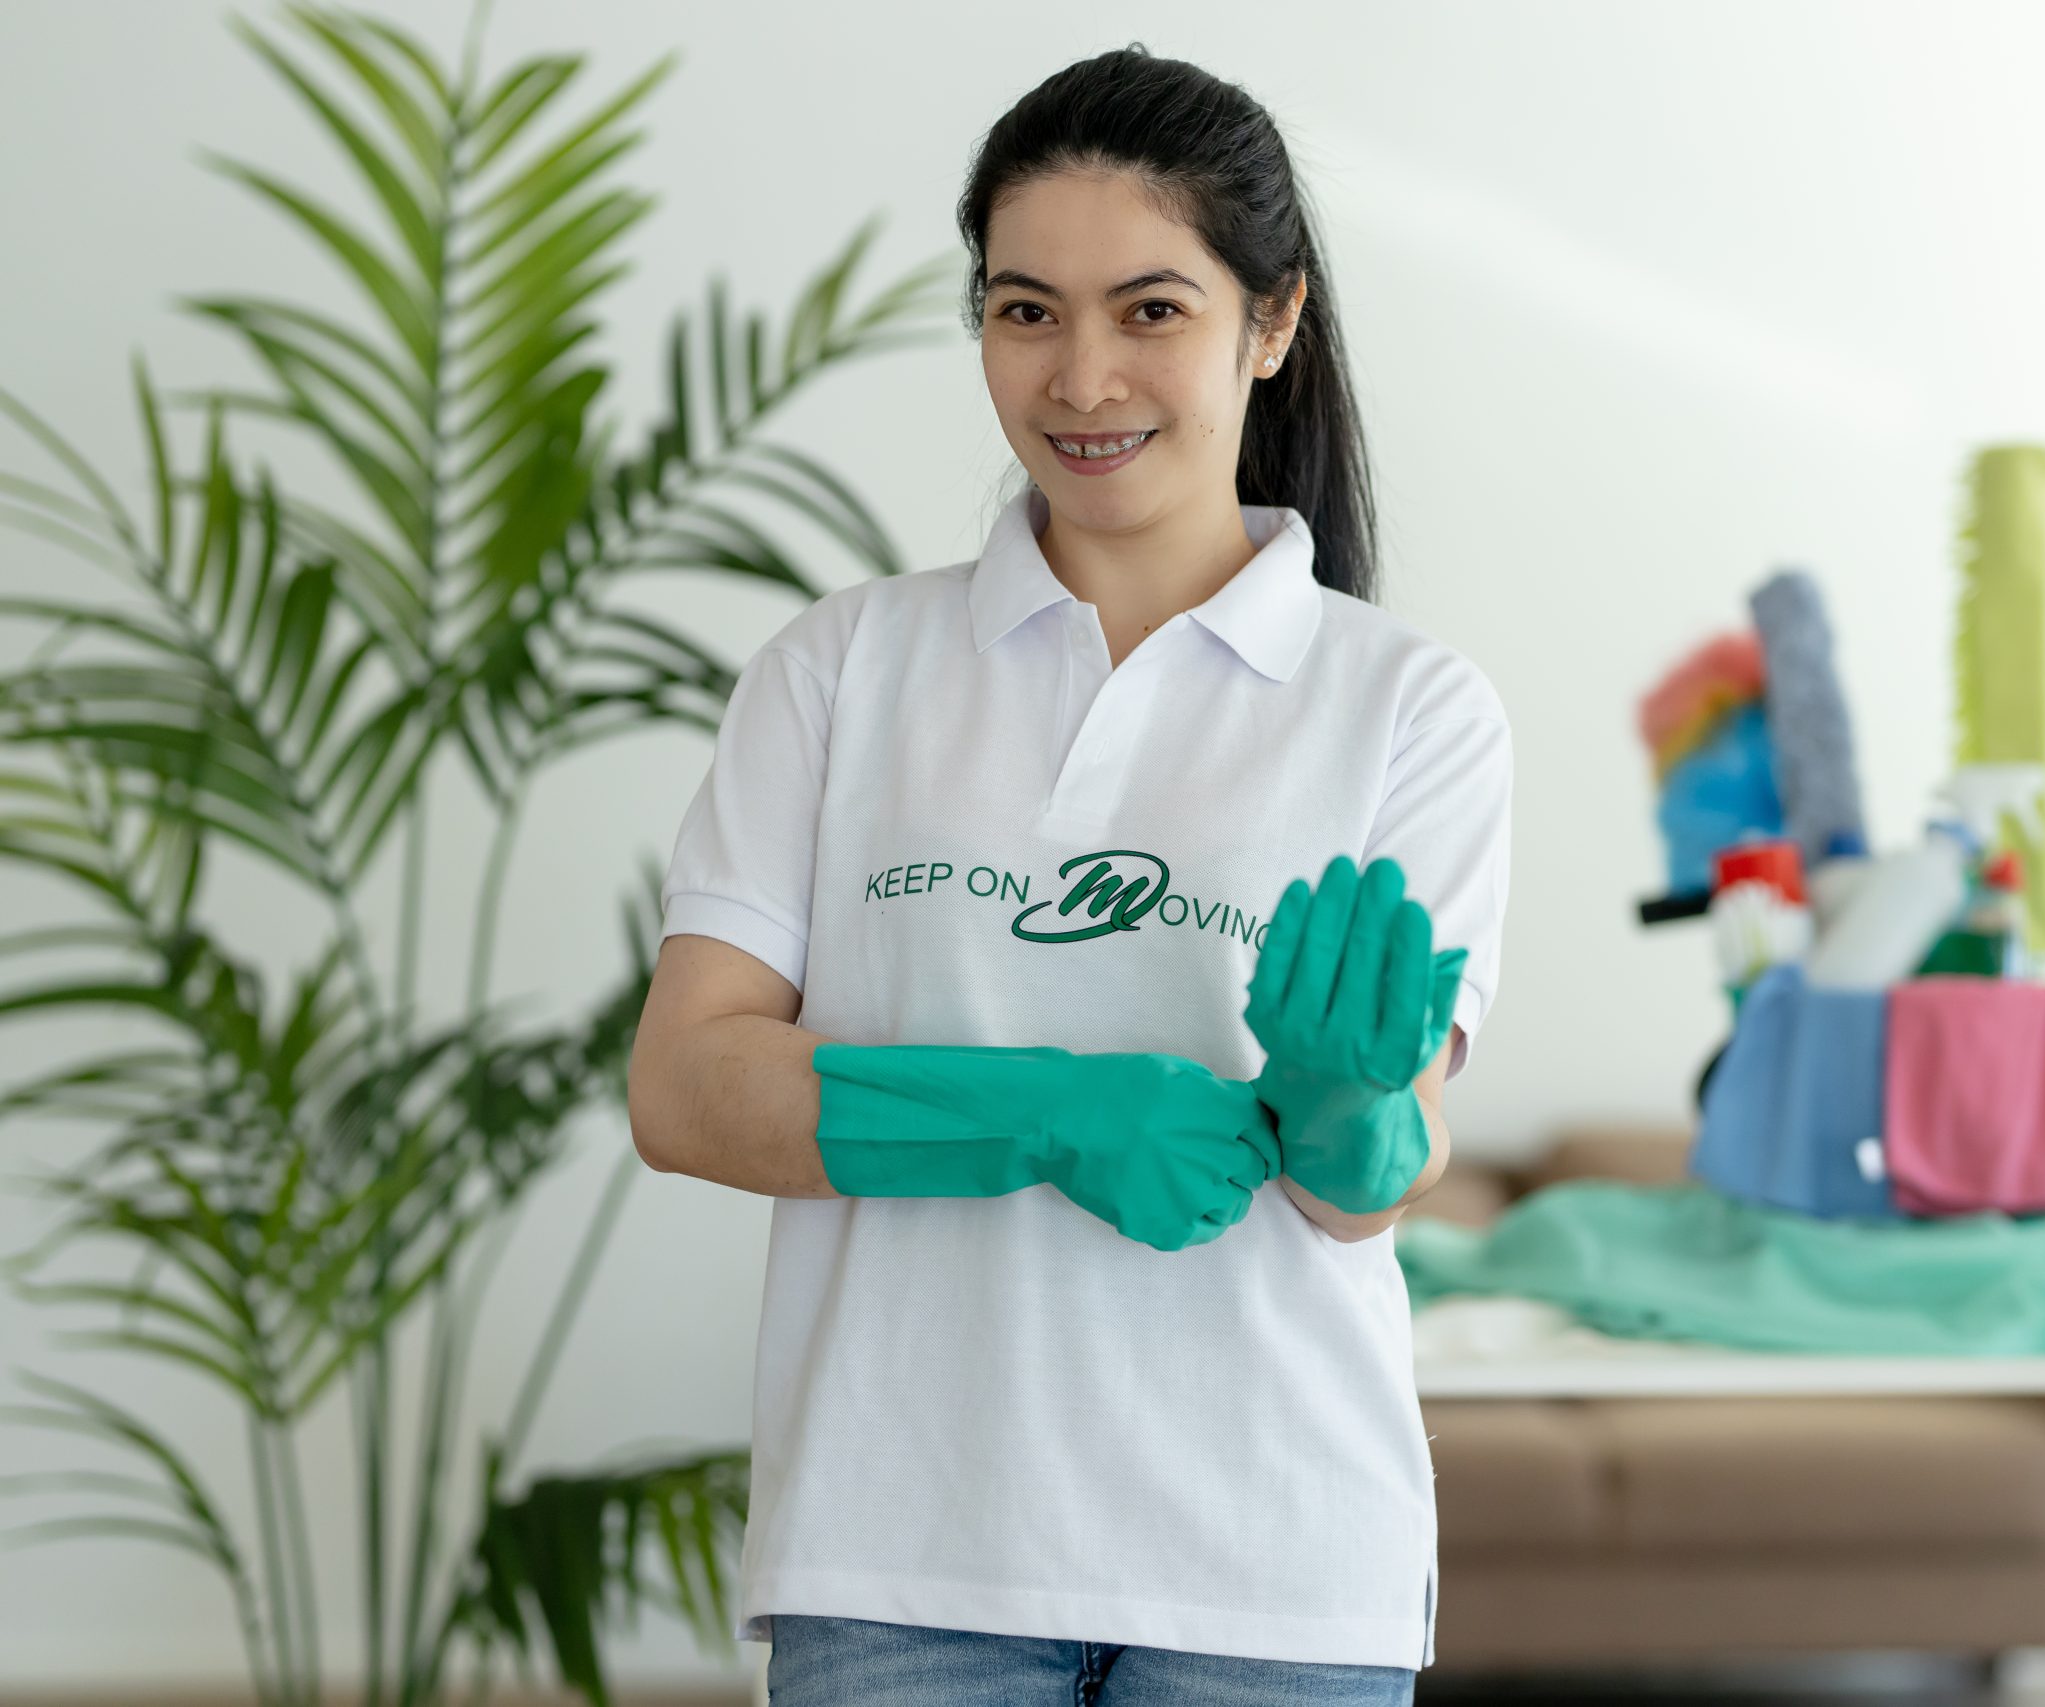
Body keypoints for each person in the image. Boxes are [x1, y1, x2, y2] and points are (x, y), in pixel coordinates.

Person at [628, 42, 1512, 1707]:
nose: (1081, 375)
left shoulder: (1407, 707)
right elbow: (685, 1089)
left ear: (1273, 321)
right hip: (897, 1554)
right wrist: (1045, 1109)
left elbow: (1370, 1183)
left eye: (1152, 310)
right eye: (1025, 309)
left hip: (1277, 1562)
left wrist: (1350, 1109)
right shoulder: (839, 672)